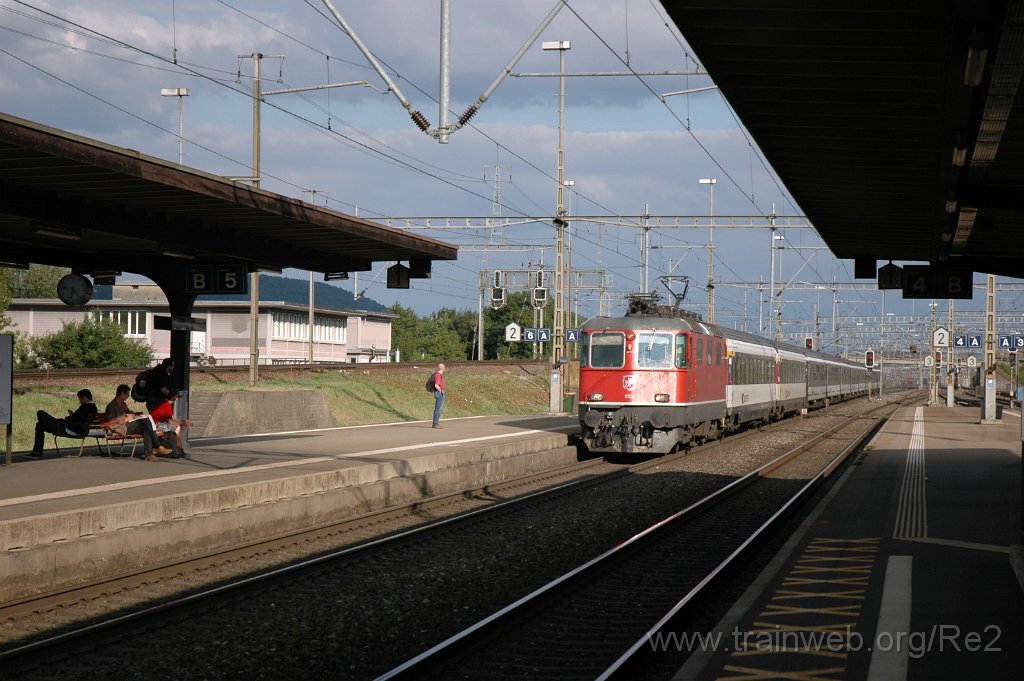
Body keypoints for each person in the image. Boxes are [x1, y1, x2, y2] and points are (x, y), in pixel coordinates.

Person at [105, 384, 174, 461]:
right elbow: (111, 422)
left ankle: (149, 454)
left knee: (146, 424)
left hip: (128, 425)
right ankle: (157, 447)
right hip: (120, 428)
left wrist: (135, 416)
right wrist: (125, 419)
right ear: (122, 394)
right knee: (146, 423)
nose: (128, 396)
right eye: (127, 394)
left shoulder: (123, 404)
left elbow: (127, 414)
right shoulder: (111, 406)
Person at [28, 388, 98, 458]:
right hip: (75, 428)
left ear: (84, 397)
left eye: (80, 399)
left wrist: (71, 415)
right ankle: (36, 452)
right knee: (40, 425)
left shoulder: (86, 407)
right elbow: (79, 418)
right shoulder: (93, 407)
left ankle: (37, 452)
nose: (79, 401)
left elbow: (73, 419)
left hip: (68, 429)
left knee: (40, 413)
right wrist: (73, 415)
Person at [149, 389, 193, 457]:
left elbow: (171, 418)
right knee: (176, 427)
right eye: (177, 397)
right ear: (174, 398)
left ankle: (173, 448)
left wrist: (182, 422)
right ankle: (177, 450)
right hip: (154, 426)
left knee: (177, 426)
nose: (177, 399)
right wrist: (182, 423)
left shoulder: (164, 403)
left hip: (153, 424)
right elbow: (170, 420)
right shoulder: (166, 405)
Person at [431, 363, 446, 429]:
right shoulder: (438, 375)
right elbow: (436, 385)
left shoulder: (438, 375)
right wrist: (441, 391)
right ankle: (435, 423)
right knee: (438, 409)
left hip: (438, 392)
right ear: (442, 368)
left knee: (439, 408)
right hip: (439, 392)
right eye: (444, 367)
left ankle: (436, 423)